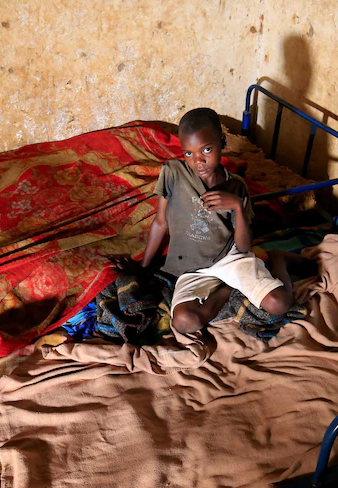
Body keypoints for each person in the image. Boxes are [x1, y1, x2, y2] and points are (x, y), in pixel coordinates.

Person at [119, 107, 294, 334]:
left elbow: (243, 246)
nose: (198, 161)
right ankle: (230, 290)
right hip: (191, 269)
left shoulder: (236, 186)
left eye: (206, 150)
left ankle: (280, 260)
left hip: (229, 258)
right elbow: (161, 223)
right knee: (183, 322)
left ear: (222, 142)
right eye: (188, 154)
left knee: (278, 303)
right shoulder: (173, 173)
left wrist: (236, 207)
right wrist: (142, 267)